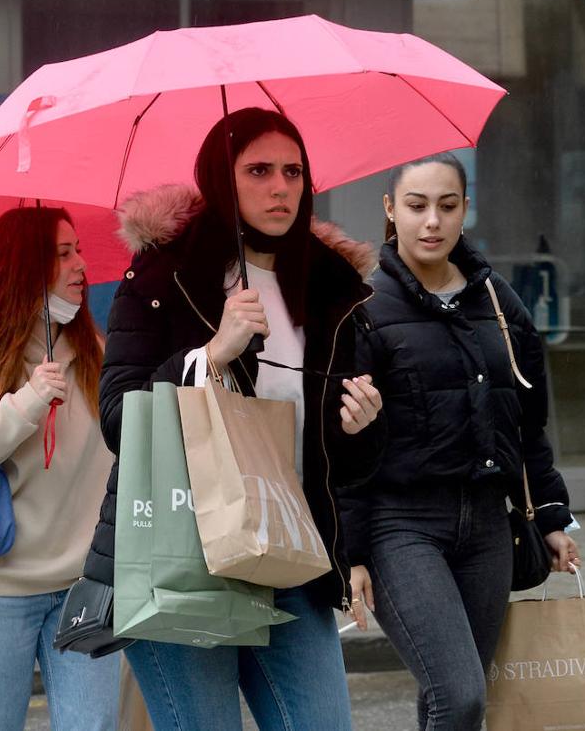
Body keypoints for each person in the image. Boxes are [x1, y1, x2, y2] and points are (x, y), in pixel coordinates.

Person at [80, 107, 386, 730]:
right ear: (223, 180)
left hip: (289, 550)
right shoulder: (164, 278)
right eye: (258, 170)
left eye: (293, 171)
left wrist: (360, 428)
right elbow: (119, 419)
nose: (280, 187)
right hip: (183, 552)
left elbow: (328, 459)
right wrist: (209, 355)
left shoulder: (330, 287)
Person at [340, 152, 580, 730]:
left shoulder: (499, 303)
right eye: (417, 206)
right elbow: (342, 449)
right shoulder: (365, 309)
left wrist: (551, 515)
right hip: (402, 526)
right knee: (460, 693)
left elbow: (527, 424)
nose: (432, 222)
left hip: (488, 526)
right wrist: (349, 554)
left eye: (447, 207)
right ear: (390, 209)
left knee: (453, 696)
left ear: (465, 211)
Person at [0, 206, 120, 730]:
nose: (81, 264)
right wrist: (27, 402)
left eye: (79, 250)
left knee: (96, 725)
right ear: (21, 267)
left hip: (86, 587)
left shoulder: (93, 350)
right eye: (63, 253)